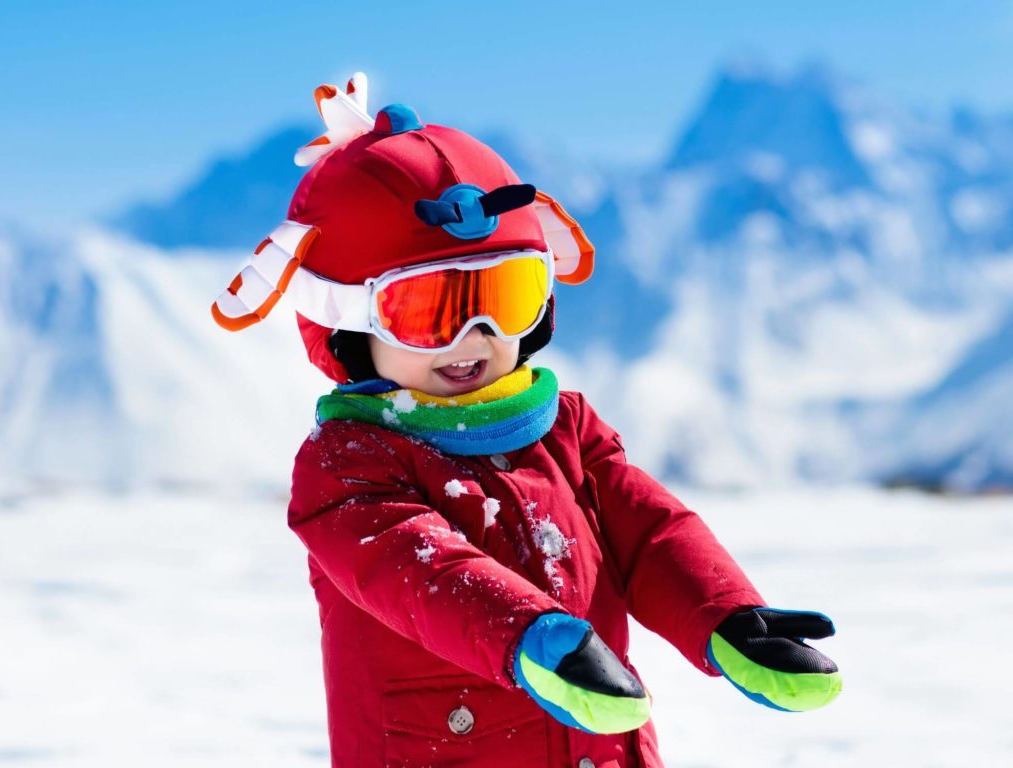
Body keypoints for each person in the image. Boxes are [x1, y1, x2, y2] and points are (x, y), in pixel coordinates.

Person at [212, 73, 841, 767]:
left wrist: (724, 617)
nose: (474, 336)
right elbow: (423, 571)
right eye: (428, 312)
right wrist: (532, 637)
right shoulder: (348, 468)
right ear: (350, 327)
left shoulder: (566, 433)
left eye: (504, 298)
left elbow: (652, 535)